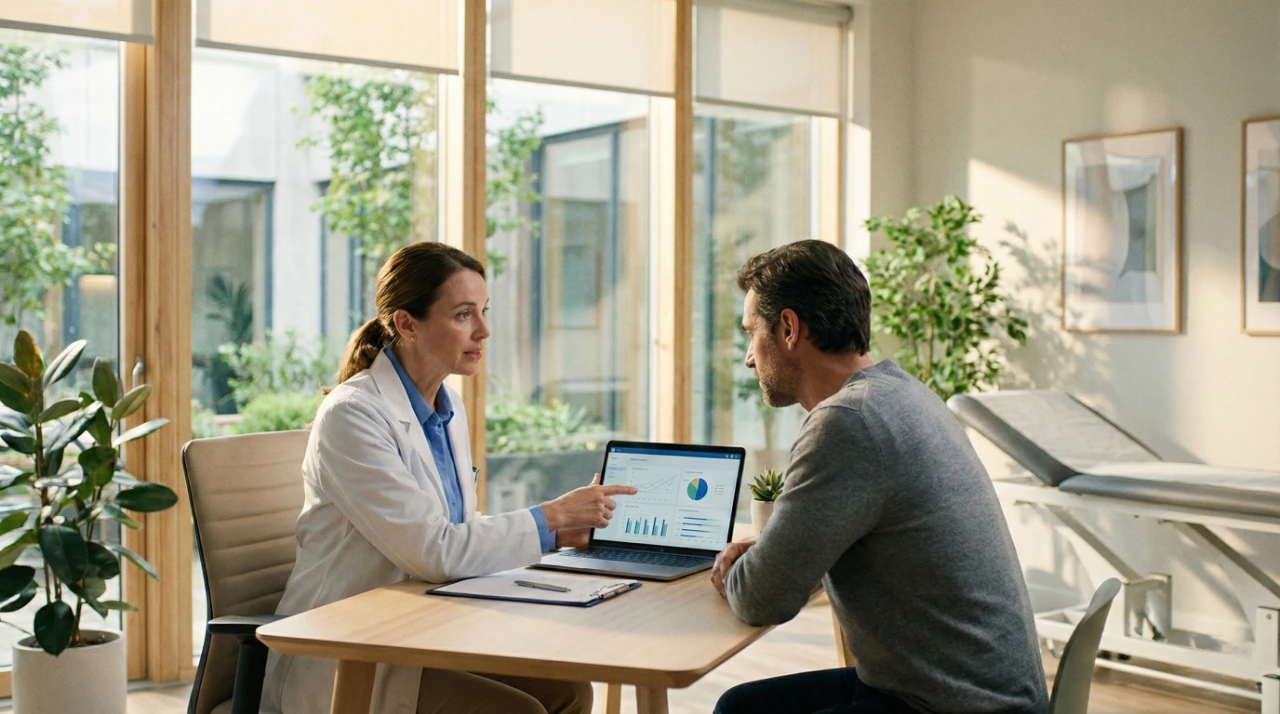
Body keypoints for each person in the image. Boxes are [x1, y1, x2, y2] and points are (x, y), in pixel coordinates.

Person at [261, 242, 636, 714]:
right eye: (463, 315)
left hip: (426, 626)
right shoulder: (352, 415)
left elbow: (459, 528)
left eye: (482, 311)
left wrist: (558, 533)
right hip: (351, 649)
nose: (484, 330)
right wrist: (550, 515)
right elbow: (434, 550)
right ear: (406, 324)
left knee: (569, 689)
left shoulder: (446, 406)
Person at [710, 240, 1048, 714]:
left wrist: (739, 569)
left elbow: (762, 600)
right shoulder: (902, 393)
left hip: (955, 705)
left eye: (752, 334)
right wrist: (774, 555)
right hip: (977, 687)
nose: (749, 357)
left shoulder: (847, 422)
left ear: (788, 328)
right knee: (742, 706)